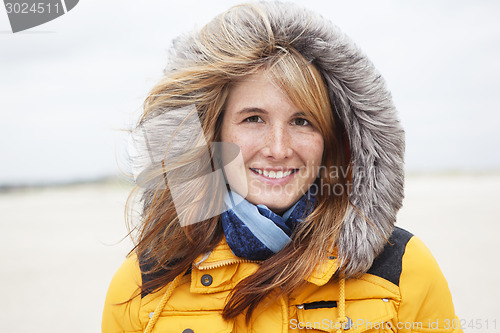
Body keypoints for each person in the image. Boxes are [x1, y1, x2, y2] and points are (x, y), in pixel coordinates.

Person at [102, 2, 462, 332]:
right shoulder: (142, 283)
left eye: (302, 121)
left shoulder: (402, 268)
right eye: (254, 118)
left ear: (331, 139)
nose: (278, 149)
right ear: (213, 133)